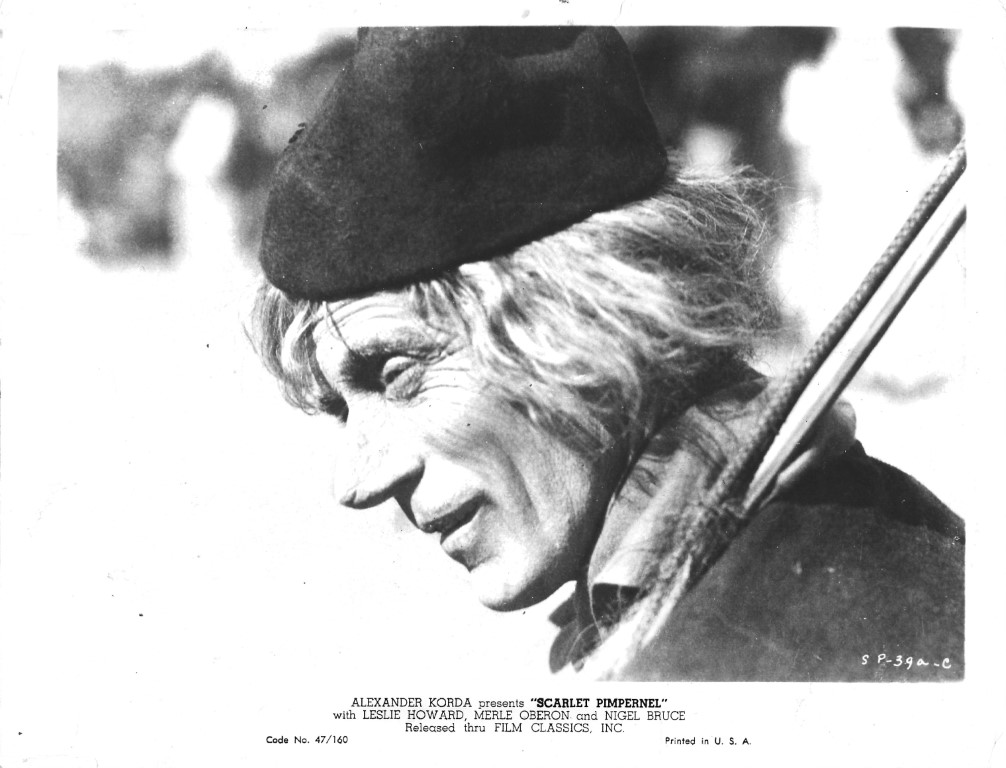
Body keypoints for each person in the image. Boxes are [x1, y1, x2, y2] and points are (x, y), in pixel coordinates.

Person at [250, 27, 964, 680]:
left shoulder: (754, 655)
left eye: (398, 374)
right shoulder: (781, 550)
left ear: (586, 313)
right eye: (342, 409)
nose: (355, 482)